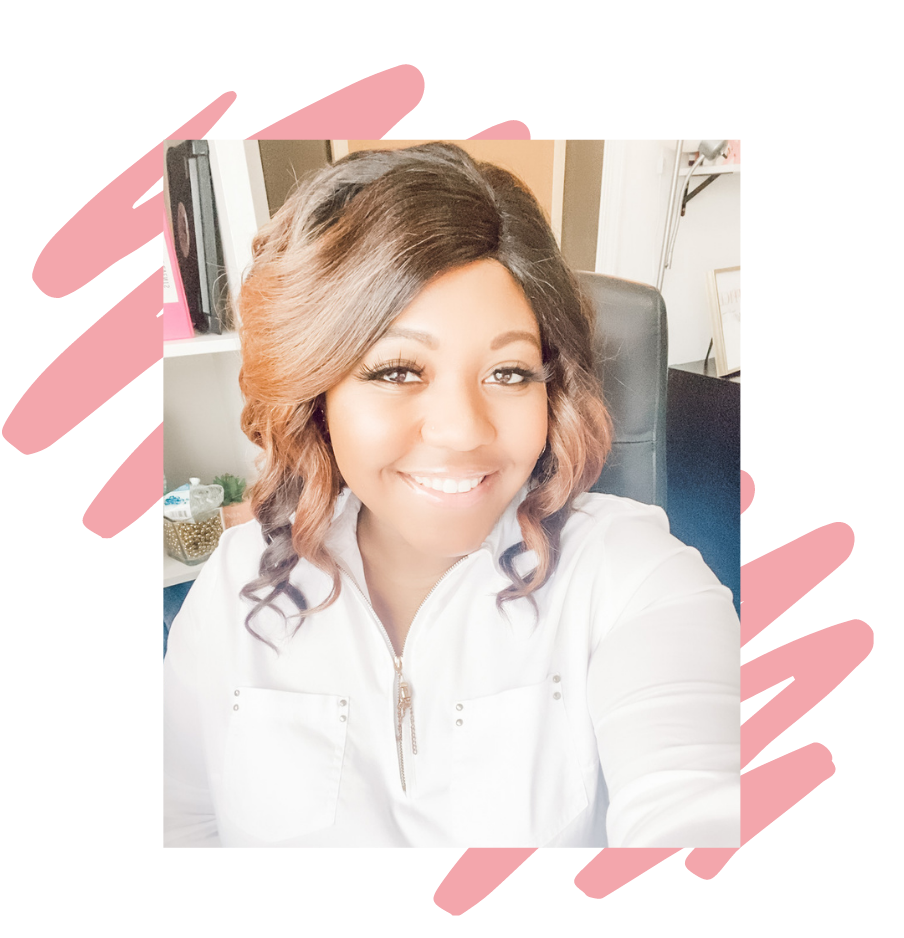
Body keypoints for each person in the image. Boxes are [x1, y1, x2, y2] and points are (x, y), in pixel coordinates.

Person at [163, 142, 740, 848]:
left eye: (508, 373)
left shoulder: (634, 577)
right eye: (399, 369)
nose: (465, 432)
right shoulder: (235, 581)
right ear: (320, 395)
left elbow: (694, 802)